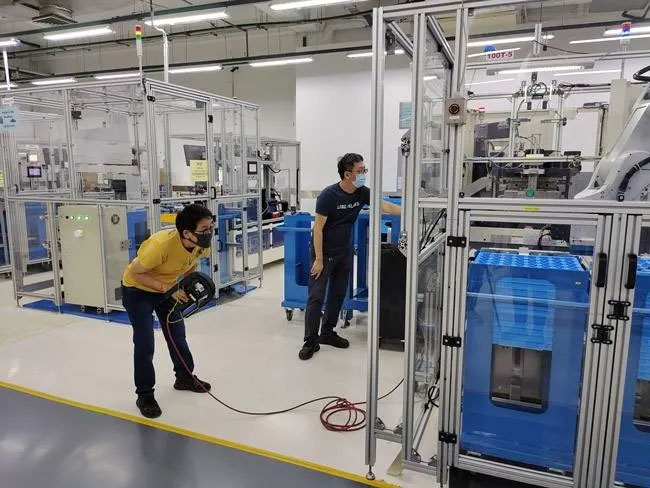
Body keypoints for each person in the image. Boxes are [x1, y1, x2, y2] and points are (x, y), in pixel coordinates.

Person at [299, 153, 401, 360]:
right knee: (316, 296)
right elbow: (318, 229)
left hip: (343, 251)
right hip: (323, 253)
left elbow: (385, 206)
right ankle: (310, 341)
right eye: (360, 171)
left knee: (338, 294)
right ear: (347, 174)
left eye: (364, 170)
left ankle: (327, 333)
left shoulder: (361, 192)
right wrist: (318, 259)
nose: (364, 174)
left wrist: (413, 209)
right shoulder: (329, 195)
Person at [122, 203, 214, 418]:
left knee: (177, 335)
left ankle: (184, 377)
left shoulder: (201, 244)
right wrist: (168, 289)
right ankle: (145, 394)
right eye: (204, 229)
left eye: (210, 228)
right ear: (186, 233)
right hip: (138, 290)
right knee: (145, 343)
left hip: (169, 289)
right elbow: (136, 273)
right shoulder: (160, 245)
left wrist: (185, 284)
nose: (208, 233)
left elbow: (191, 263)